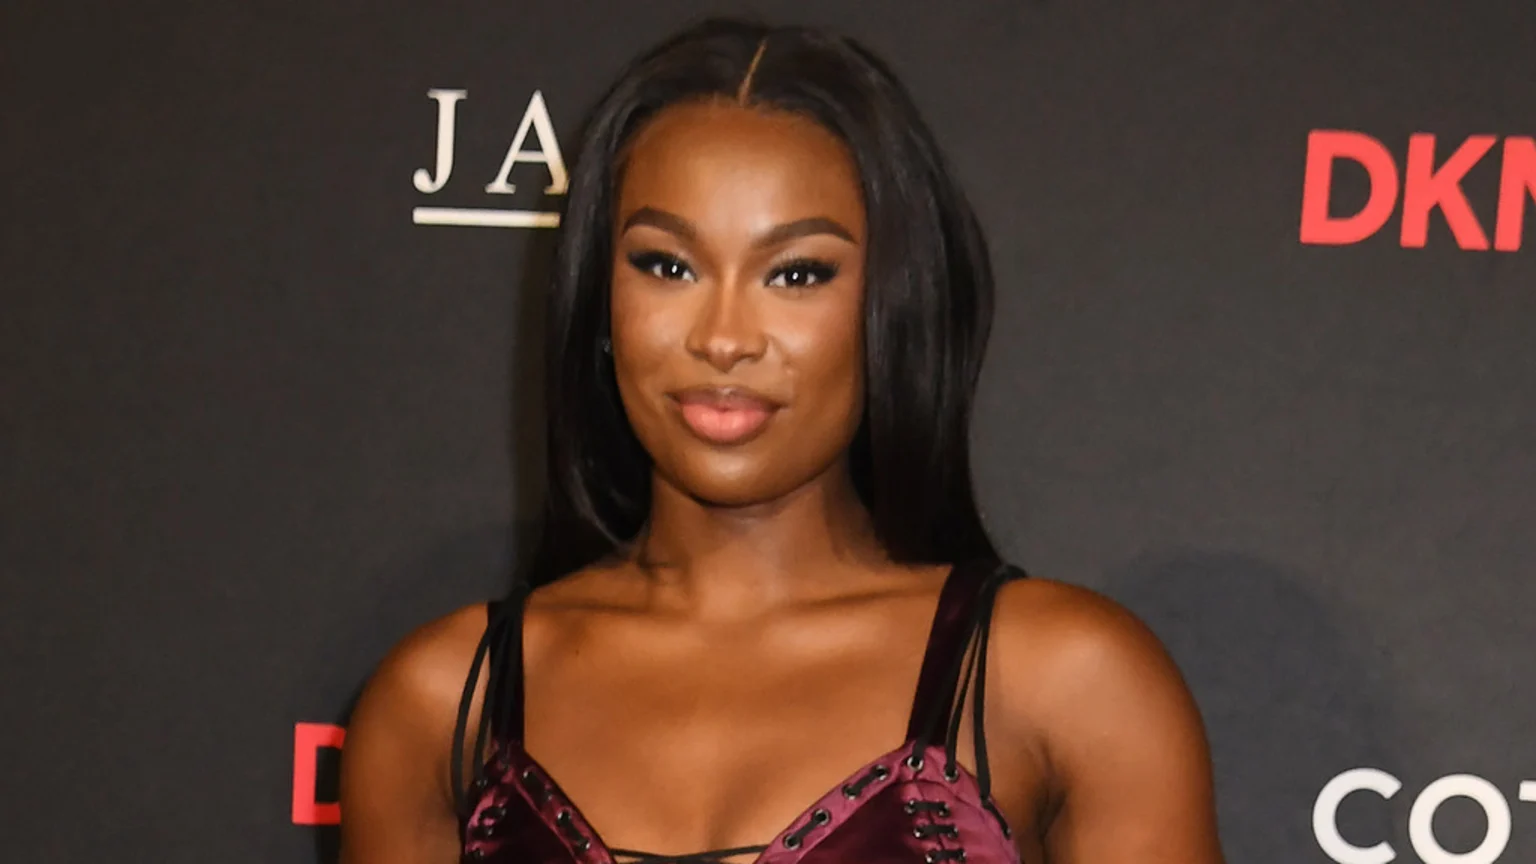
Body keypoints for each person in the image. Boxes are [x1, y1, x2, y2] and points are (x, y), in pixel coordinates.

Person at [339, 17, 1225, 864]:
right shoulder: (440, 704)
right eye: (667, 266)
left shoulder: (1065, 682)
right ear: (600, 299)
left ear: (891, 305)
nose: (724, 338)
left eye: (797, 274)